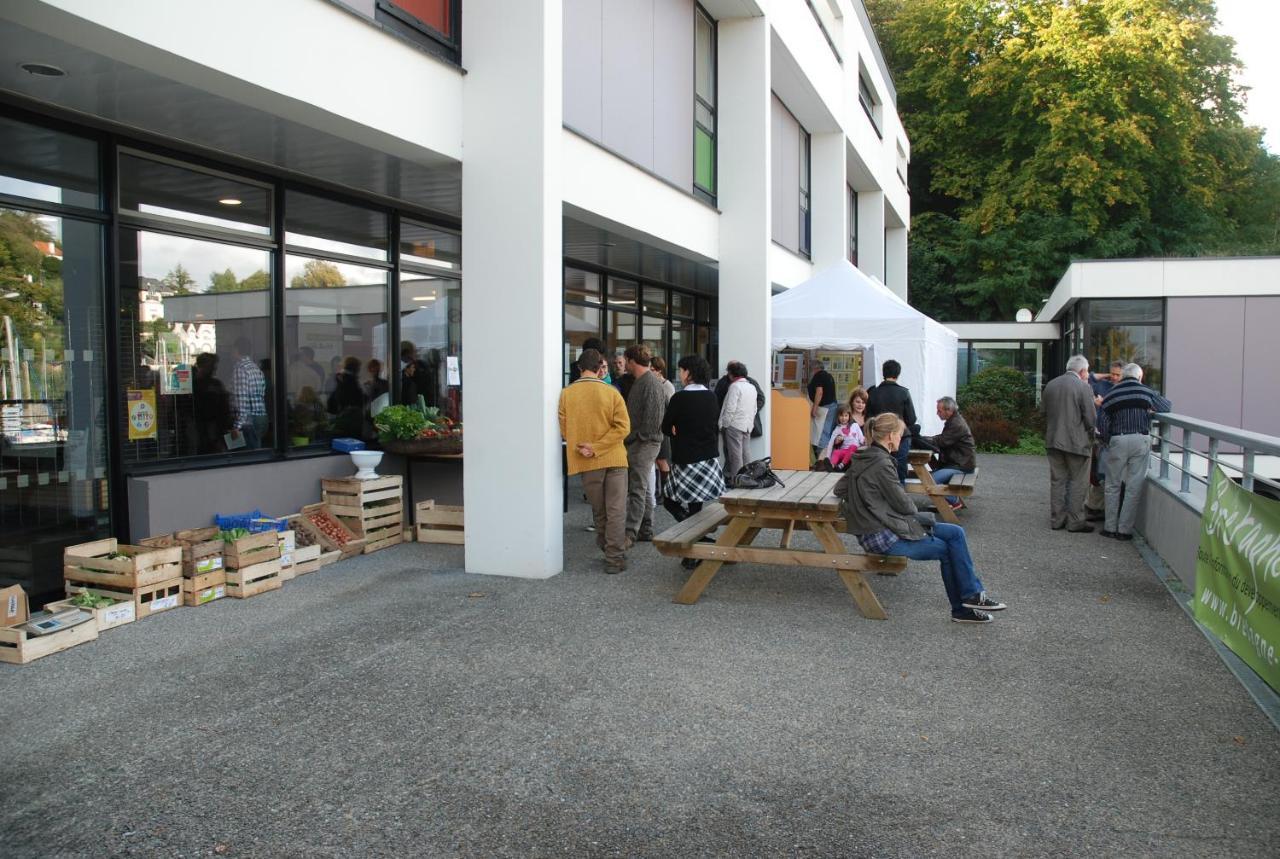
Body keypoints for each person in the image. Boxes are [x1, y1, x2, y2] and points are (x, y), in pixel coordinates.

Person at [835, 413, 1007, 624]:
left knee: (956, 532)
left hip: (883, 526)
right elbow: (904, 505)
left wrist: (867, 501)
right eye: (900, 435)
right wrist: (873, 504)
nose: (901, 439)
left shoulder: (864, 456)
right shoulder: (882, 463)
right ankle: (963, 608)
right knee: (947, 548)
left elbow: (840, 488)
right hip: (882, 536)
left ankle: (972, 597)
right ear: (890, 436)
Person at [559, 348, 631, 574]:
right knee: (617, 510)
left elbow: (565, 429)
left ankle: (607, 548)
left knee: (600, 511)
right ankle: (614, 558)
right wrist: (600, 446)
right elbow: (624, 427)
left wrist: (589, 447)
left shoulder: (566, 394)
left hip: (587, 460)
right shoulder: (612, 392)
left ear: (579, 368)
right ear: (601, 368)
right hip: (616, 458)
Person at [661, 355, 725, 570]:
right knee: (696, 506)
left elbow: (665, 427)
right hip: (707, 458)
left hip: (685, 458)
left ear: (688, 373)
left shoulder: (679, 398)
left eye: (681, 370)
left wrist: (676, 431)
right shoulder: (711, 397)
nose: (680, 374)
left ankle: (694, 544)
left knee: (670, 501)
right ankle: (696, 544)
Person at [1098, 363, 1171, 541]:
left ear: (1122, 376)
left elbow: (1102, 420)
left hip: (1118, 439)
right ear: (1139, 377)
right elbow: (1166, 406)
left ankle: (1109, 527)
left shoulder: (1112, 394)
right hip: (1140, 439)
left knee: (1112, 485)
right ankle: (1124, 530)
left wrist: (1109, 439)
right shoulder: (1145, 391)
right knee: (1133, 486)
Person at [1042, 354, 1097, 532]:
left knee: (1057, 481)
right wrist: (1092, 436)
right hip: (1077, 443)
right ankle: (1075, 521)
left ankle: (1057, 520)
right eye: (1087, 372)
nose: (1088, 375)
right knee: (1077, 482)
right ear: (1082, 371)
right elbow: (1091, 418)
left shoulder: (1051, 385)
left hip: (1053, 441)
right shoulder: (1083, 387)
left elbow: (1043, 412)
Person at [621, 344, 666, 545]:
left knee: (637, 488)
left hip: (644, 443)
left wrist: (631, 438)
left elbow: (652, 423)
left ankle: (630, 533)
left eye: (625, 361)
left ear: (632, 361)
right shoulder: (645, 381)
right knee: (644, 488)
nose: (623, 365)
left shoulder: (651, 383)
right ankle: (645, 529)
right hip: (643, 442)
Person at [918, 396, 976, 510]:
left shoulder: (956, 424)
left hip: (961, 466)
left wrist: (921, 439)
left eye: (939, 411)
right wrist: (925, 439)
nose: (937, 413)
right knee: (930, 477)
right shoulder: (954, 420)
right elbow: (943, 439)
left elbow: (942, 441)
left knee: (929, 481)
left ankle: (954, 501)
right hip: (961, 463)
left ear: (948, 411)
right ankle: (948, 501)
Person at [866, 359, 918, 483]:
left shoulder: (873, 392)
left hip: (879, 438)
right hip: (900, 436)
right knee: (899, 472)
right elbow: (911, 419)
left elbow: (868, 418)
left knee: (880, 471)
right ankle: (899, 498)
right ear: (898, 374)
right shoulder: (904, 392)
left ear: (883, 373)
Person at [1085, 361, 1125, 520]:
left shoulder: (1124, 390)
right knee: (1098, 475)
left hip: (1116, 437)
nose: (1114, 377)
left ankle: (1100, 509)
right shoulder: (1104, 386)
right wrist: (1107, 375)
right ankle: (1094, 507)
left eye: (1117, 375)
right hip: (1100, 437)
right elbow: (1089, 379)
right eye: (1112, 374)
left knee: (1108, 476)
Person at [718, 361, 757, 481]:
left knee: (735, 455)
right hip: (747, 424)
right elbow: (754, 408)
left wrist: (725, 424)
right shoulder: (752, 387)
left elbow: (730, 408)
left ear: (731, 374)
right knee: (746, 453)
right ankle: (748, 478)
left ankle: (737, 480)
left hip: (734, 425)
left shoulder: (735, 386)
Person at [231, 336, 268, 449]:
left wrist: (236, 426)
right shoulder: (255, 368)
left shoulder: (240, 369)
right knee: (256, 455)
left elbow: (241, 398)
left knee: (246, 459)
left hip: (248, 421)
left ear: (236, 349)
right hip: (261, 416)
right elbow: (262, 392)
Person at [191, 352, 232, 454]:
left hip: (213, 429)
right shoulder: (196, 385)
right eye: (212, 366)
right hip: (206, 429)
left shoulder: (214, 384)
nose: (215, 369)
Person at [326, 355, 365, 438]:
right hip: (350, 415)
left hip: (342, 413)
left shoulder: (341, 378)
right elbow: (355, 398)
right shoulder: (350, 380)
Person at [806, 360, 839, 453]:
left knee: (823, 431)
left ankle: (822, 457)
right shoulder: (828, 375)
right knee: (826, 430)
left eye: (810, 369)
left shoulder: (819, 376)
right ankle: (824, 454)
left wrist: (814, 408)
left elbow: (819, 392)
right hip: (832, 406)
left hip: (825, 408)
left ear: (814, 368)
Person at [821, 404, 864, 470]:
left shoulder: (855, 425)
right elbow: (831, 443)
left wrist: (866, 442)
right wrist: (828, 457)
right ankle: (832, 465)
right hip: (844, 451)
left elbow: (861, 438)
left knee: (853, 446)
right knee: (836, 452)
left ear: (849, 416)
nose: (844, 418)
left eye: (846, 415)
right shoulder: (837, 429)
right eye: (841, 416)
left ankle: (841, 465)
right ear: (838, 416)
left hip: (854, 451)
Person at [399, 341, 432, 407]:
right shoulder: (401, 370)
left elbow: (425, 385)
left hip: (419, 404)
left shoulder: (420, 366)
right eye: (414, 351)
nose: (416, 353)